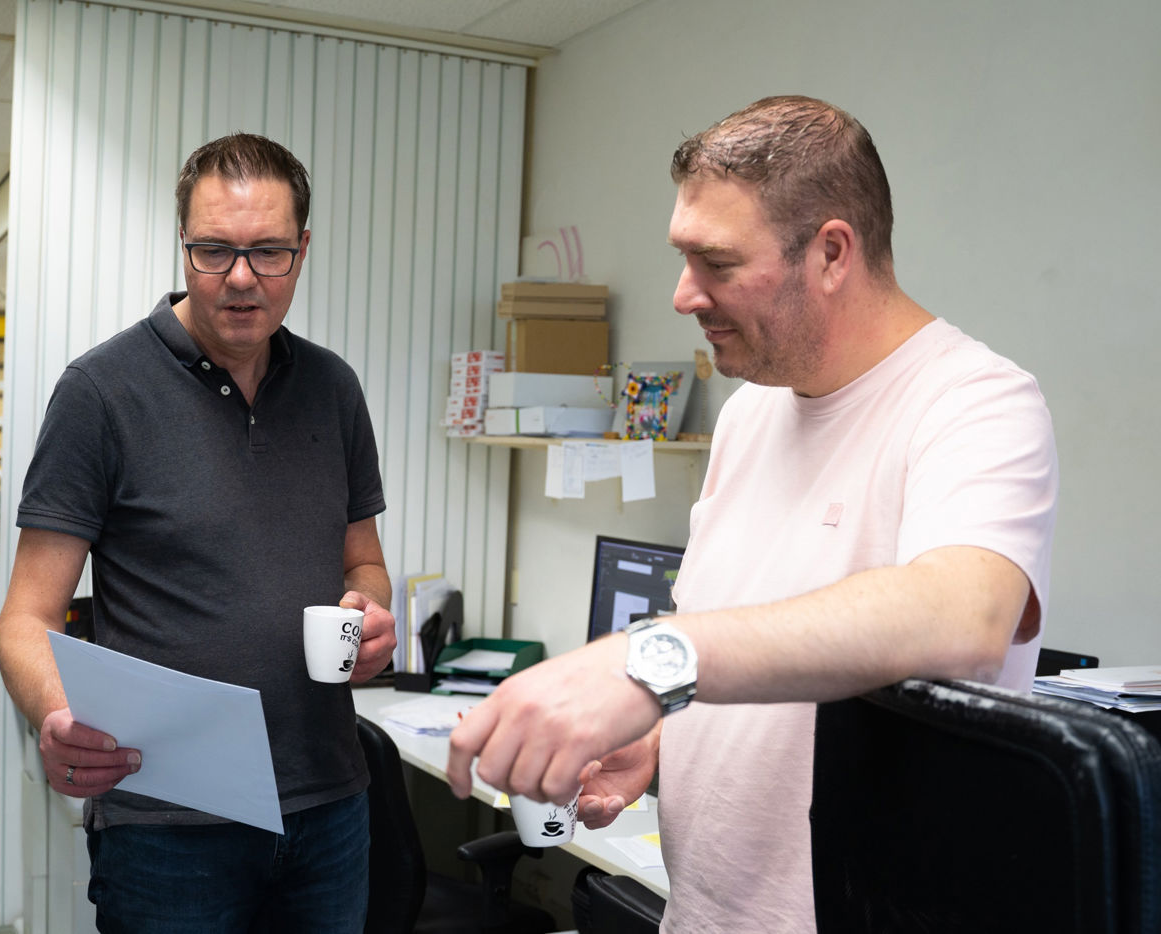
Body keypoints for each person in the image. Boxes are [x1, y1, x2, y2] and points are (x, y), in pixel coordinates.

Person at [447, 96, 1058, 934]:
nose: (682, 295)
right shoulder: (749, 412)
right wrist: (662, 737)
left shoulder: (975, 402)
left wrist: (643, 661)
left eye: (717, 263)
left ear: (832, 253)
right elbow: (752, 638)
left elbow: (967, 612)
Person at [0, 133, 396, 934]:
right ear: (182, 246)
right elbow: (26, 619)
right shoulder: (100, 392)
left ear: (303, 250)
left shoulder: (333, 388)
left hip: (328, 807)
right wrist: (55, 714)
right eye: (214, 250)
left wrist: (374, 613)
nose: (242, 279)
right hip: (167, 826)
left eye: (269, 252)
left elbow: (364, 559)